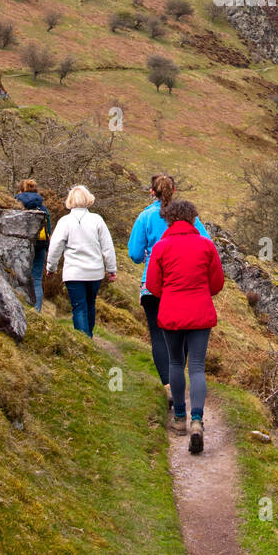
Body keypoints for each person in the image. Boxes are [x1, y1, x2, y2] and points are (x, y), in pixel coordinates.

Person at [145, 198, 224, 454]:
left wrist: (168, 295)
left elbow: (153, 285)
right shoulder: (206, 245)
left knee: (176, 363)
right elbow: (217, 283)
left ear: (168, 219)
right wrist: (200, 293)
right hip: (200, 313)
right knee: (197, 366)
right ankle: (198, 420)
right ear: (193, 219)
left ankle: (179, 418)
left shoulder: (161, 247)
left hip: (171, 313)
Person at [128, 174, 212, 411]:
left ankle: (168, 385)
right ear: (174, 190)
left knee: (158, 336)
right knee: (186, 337)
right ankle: (182, 386)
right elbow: (207, 245)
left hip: (152, 286)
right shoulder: (187, 218)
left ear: (151, 192)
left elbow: (134, 254)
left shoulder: (144, 217)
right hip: (185, 285)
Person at [45, 185, 117, 337]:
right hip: (94, 273)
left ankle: (84, 341)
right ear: (88, 199)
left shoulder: (65, 221)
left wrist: (51, 267)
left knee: (79, 307)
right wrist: (111, 269)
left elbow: (55, 246)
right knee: (90, 305)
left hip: (74, 273)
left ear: (70, 200)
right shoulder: (97, 220)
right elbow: (107, 247)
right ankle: (88, 336)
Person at [15, 179, 52, 313]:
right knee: (36, 278)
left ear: (21, 190)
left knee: (17, 276)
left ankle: (21, 308)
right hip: (40, 245)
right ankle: (36, 311)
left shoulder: (17, 204)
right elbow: (48, 229)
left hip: (20, 246)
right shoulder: (42, 207)